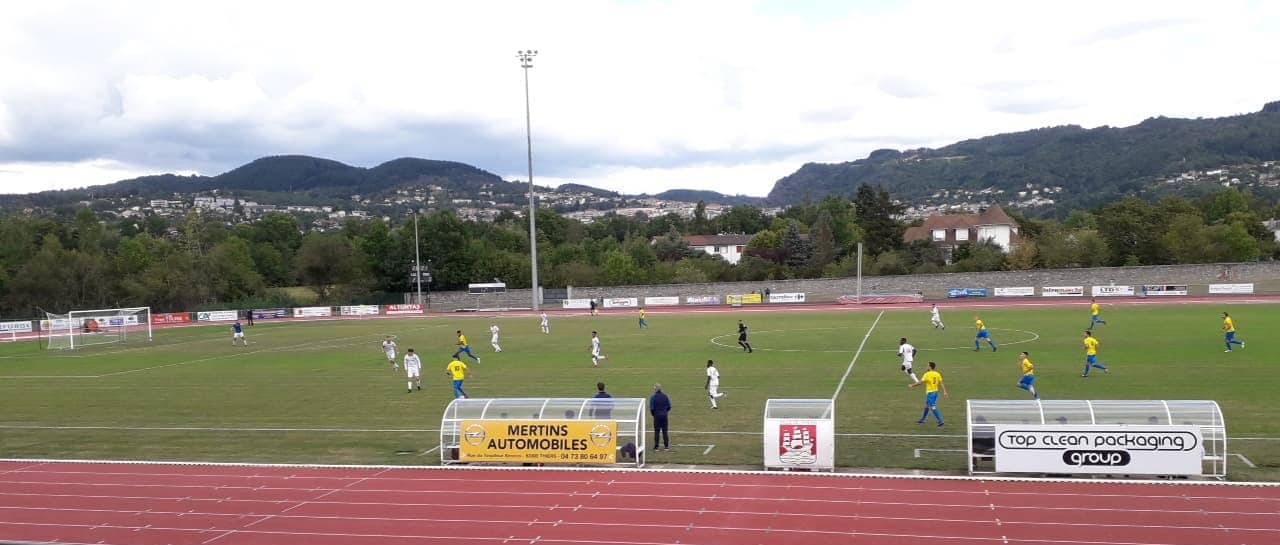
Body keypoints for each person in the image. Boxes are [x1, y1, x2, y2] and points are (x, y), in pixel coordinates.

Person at [909, 361, 948, 426]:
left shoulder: (927, 374)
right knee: (927, 405)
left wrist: (912, 385)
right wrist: (945, 391)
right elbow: (941, 383)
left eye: (927, 365)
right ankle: (923, 419)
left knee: (933, 407)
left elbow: (920, 382)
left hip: (931, 394)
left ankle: (940, 420)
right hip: (935, 393)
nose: (927, 366)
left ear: (930, 367)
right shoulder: (937, 374)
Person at [650, 383, 671, 451]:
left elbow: (652, 408)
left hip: (657, 416)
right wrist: (665, 412)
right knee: (665, 431)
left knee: (657, 431)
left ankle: (656, 447)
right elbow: (669, 407)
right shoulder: (665, 396)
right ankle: (666, 446)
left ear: (655, 389)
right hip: (664, 416)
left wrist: (654, 414)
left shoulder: (653, 397)